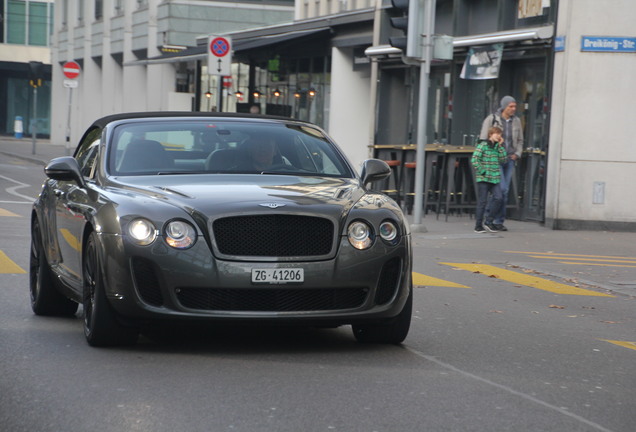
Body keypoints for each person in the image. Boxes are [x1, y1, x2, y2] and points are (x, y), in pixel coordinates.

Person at [479, 95, 523, 231]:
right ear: (504, 107)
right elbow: (483, 139)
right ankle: (489, 218)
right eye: (511, 106)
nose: (513, 109)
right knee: (502, 189)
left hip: (509, 159)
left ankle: (498, 221)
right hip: (494, 160)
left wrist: (517, 154)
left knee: (504, 191)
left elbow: (520, 140)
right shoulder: (492, 119)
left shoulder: (516, 121)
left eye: (515, 106)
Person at [471, 126, 507, 233]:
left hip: (495, 178)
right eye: (497, 133)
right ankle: (478, 226)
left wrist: (500, 146)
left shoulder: (497, 147)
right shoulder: (482, 145)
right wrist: (483, 171)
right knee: (482, 202)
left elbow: (503, 160)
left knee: (499, 198)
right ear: (490, 134)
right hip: (484, 178)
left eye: (500, 134)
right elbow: (475, 159)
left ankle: (489, 221)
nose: (499, 136)